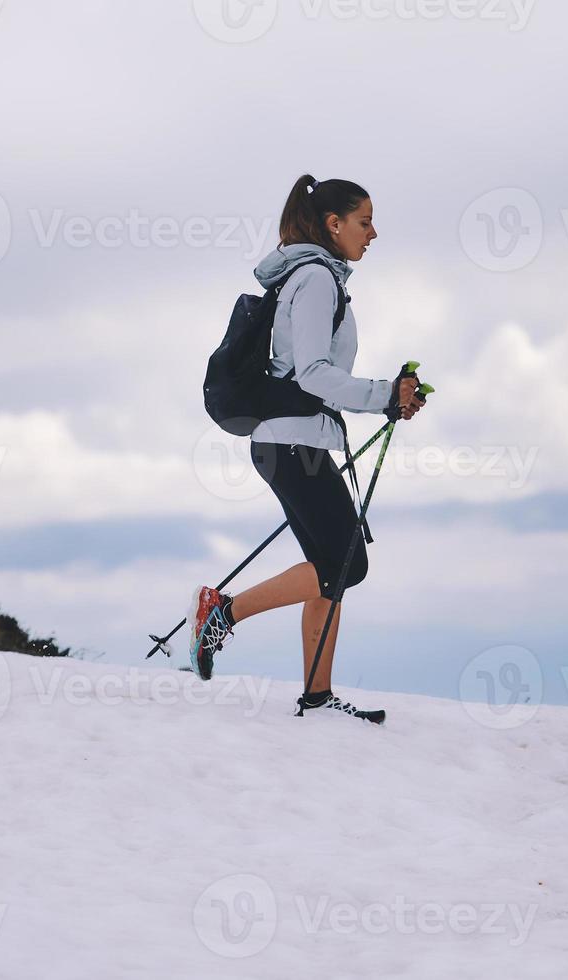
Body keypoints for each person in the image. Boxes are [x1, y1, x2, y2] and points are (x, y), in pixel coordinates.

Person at [185, 175, 425, 722]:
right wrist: (385, 395)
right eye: (364, 222)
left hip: (292, 440)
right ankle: (221, 613)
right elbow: (315, 374)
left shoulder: (312, 278)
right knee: (347, 564)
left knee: (330, 565)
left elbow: (311, 373)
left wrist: (388, 398)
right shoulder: (315, 279)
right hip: (292, 440)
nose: (373, 233)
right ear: (333, 224)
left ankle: (317, 697)